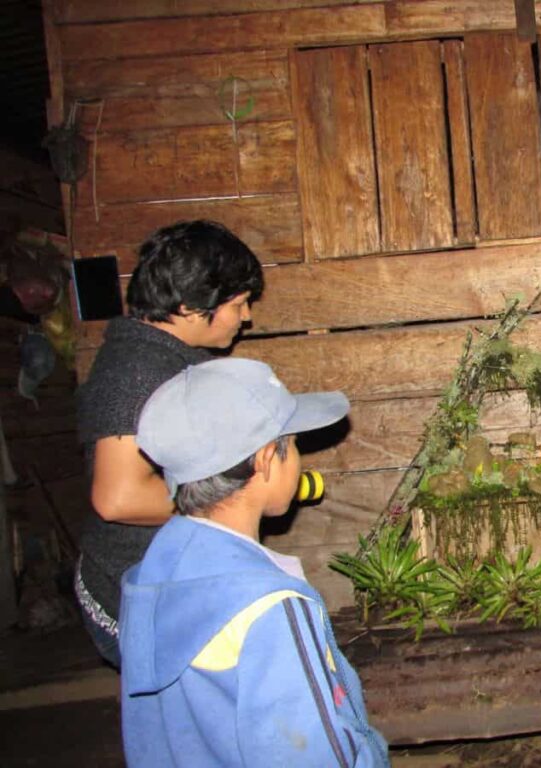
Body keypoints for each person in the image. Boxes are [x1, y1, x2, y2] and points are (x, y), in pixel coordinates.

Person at [122, 357, 389, 767]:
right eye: (294, 444)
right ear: (266, 459)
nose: (299, 458)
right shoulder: (272, 606)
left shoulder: (153, 574)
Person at [75, 220, 264, 666]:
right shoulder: (138, 371)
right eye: (238, 304)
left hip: (156, 580)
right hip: (132, 597)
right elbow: (117, 499)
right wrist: (230, 501)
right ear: (189, 305)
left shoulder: (164, 354)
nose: (247, 316)